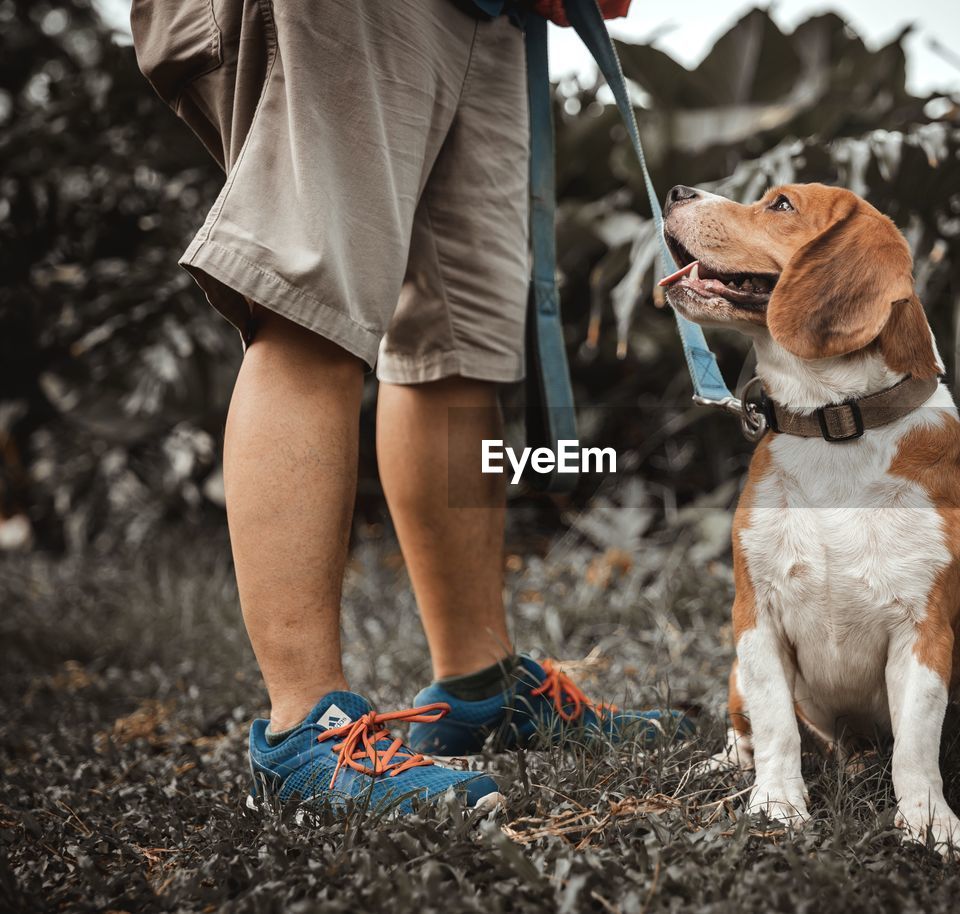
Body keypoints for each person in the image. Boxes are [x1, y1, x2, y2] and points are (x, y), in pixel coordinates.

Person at [130, 0, 687, 817]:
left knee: (458, 346)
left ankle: (479, 685)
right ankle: (302, 735)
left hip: (489, 18)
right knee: (312, 295)